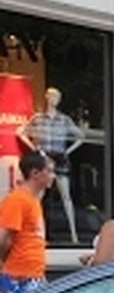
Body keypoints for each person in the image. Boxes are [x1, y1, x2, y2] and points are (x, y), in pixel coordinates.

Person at [16, 87, 85, 245]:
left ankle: (74, 236)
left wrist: (67, 151)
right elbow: (20, 132)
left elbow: (81, 136)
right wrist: (34, 149)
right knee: (37, 198)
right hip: (44, 157)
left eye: (56, 97)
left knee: (66, 196)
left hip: (59, 158)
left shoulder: (64, 119)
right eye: (51, 96)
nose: (53, 100)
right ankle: (38, 233)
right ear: (46, 98)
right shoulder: (38, 118)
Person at [0, 148, 55, 293]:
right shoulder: (17, 200)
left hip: (32, 275)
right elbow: (3, 239)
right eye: (49, 171)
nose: (53, 176)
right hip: (19, 277)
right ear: (35, 173)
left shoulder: (32, 200)